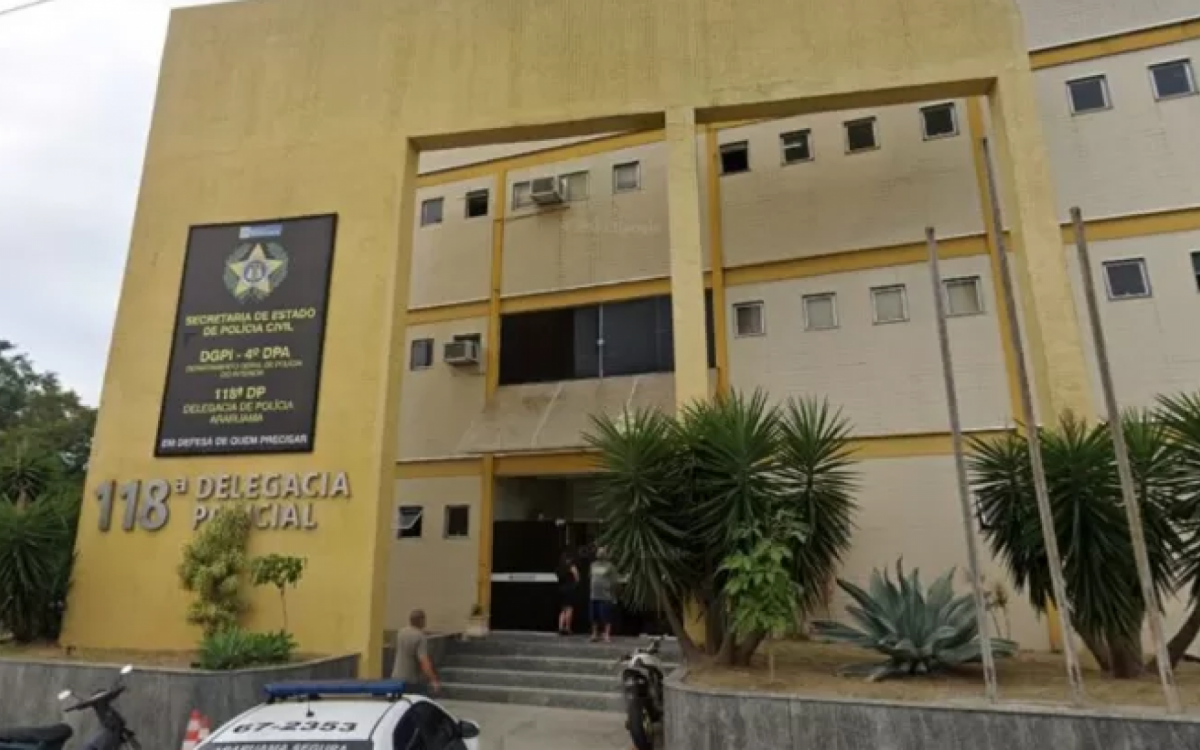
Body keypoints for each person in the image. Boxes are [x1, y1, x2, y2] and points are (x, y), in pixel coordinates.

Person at [392, 609, 440, 695]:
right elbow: (424, 662)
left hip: (396, 677)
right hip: (410, 680)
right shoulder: (420, 637)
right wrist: (433, 680)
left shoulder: (401, 632)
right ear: (421, 620)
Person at [589, 547, 617, 643]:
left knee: (606, 616)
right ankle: (594, 634)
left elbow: (614, 582)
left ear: (606, 554)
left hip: (605, 596)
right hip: (594, 595)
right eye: (599, 552)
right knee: (594, 617)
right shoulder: (593, 565)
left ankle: (607, 635)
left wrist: (613, 595)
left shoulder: (610, 566)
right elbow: (591, 577)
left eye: (602, 552)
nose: (600, 554)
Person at [556, 551, 580, 636]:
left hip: (561, 589)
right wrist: (575, 584)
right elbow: (577, 578)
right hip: (570, 589)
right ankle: (567, 628)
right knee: (569, 608)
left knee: (563, 609)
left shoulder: (559, 568)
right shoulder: (572, 567)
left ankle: (560, 627)